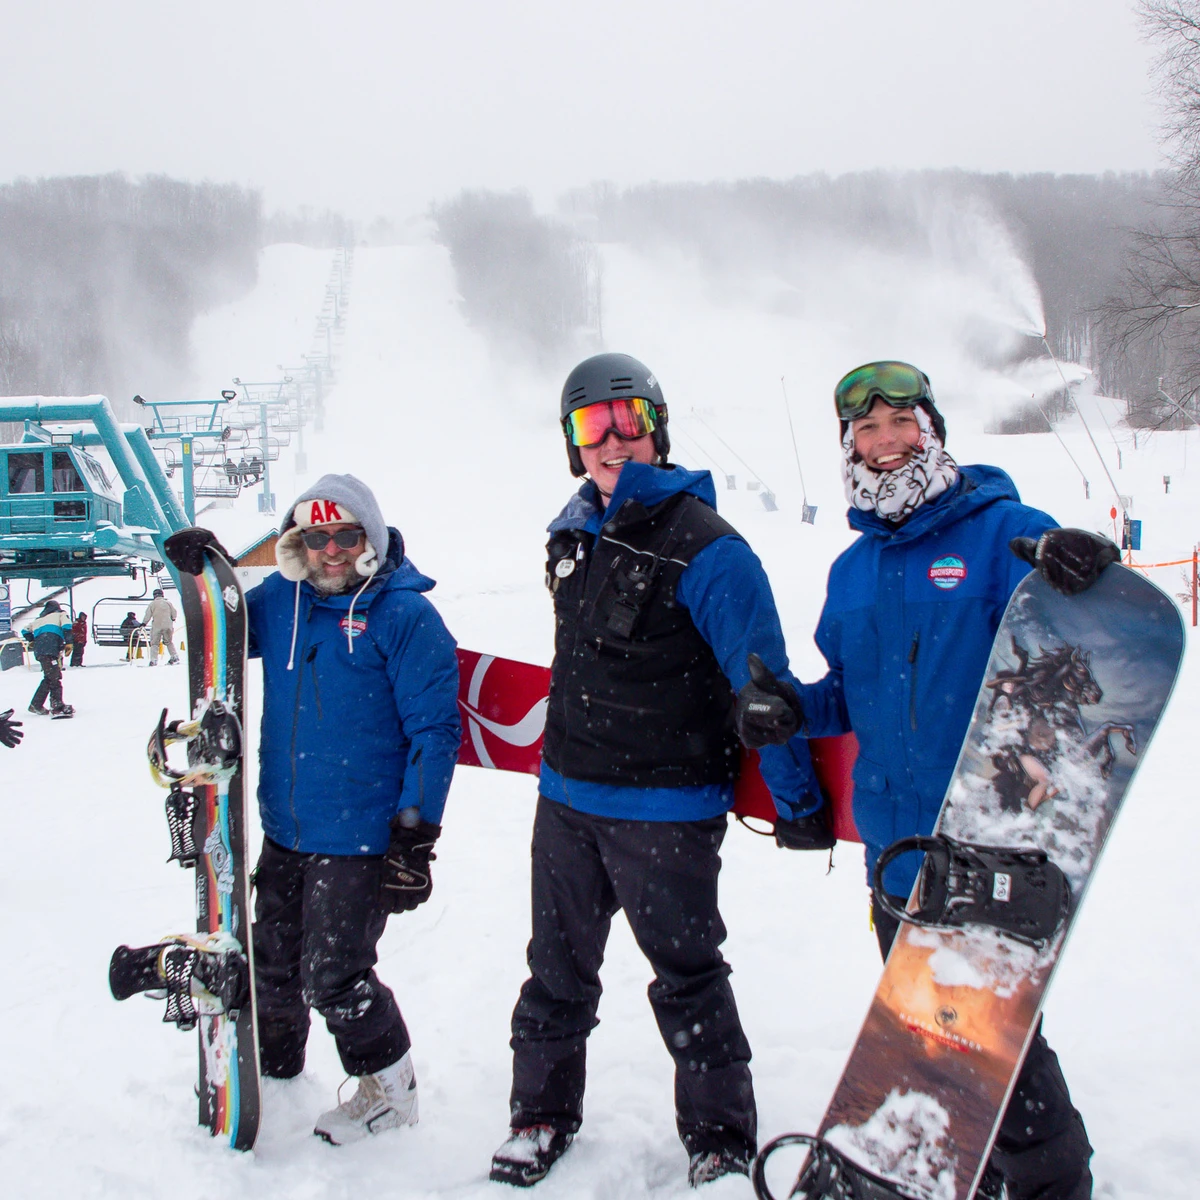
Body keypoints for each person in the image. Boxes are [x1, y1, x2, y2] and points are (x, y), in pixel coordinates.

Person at [739, 361, 1112, 1200]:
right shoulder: (853, 571)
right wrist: (792, 709)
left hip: (991, 844)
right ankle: (974, 1176)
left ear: (931, 430)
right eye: (865, 432)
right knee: (934, 1033)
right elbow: (849, 689)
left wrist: (1084, 568)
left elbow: (1072, 621)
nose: (884, 443)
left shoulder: (1002, 530)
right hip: (897, 855)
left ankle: (1054, 1184)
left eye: (900, 425)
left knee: (997, 1041)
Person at [489, 353, 822, 1190]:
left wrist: (798, 801)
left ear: (658, 426)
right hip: (567, 798)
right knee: (556, 970)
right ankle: (540, 1115)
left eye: (628, 419)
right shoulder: (570, 532)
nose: (612, 441)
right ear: (572, 443)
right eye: (591, 427)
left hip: (668, 808)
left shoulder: (711, 549)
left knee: (687, 975)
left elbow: (765, 689)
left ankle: (718, 1138)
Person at [179, 475, 461, 1145]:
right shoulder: (283, 599)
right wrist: (198, 572)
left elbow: (434, 732)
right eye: (315, 537)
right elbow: (223, 629)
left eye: (344, 535)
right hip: (285, 827)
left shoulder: (405, 616)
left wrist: (414, 835)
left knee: (333, 975)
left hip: (359, 836)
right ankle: (277, 1072)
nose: (331, 551)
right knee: (272, 960)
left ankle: (390, 1091)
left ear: (369, 536)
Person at [26, 600, 74, 717]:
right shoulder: (60, 614)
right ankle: (56, 705)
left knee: (50, 676)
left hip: (40, 651)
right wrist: (69, 642)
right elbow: (67, 626)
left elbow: (24, 630)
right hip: (51, 648)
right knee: (54, 676)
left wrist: (32, 640)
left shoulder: (38, 620)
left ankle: (36, 704)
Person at [141, 589, 180, 665]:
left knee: (155, 643)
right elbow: (174, 613)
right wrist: (173, 618)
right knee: (169, 642)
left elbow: (148, 615)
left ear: (154, 595)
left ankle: (154, 660)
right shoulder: (168, 603)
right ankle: (174, 656)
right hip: (168, 625)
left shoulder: (152, 604)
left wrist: (144, 623)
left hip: (157, 626)